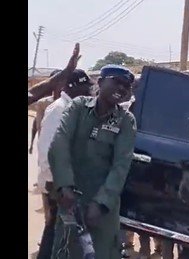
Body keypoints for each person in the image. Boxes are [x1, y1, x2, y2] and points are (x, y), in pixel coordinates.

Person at [48, 64, 137, 259]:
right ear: (100, 82)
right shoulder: (78, 107)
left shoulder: (125, 121)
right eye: (117, 82)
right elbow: (59, 144)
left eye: (126, 86)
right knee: (65, 251)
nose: (122, 89)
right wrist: (64, 186)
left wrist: (101, 204)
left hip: (103, 211)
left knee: (101, 252)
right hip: (71, 202)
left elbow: (121, 166)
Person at [35, 69, 93, 259]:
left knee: (60, 233)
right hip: (57, 185)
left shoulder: (75, 109)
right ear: (73, 87)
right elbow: (46, 152)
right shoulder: (58, 110)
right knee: (55, 232)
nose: (90, 93)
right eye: (86, 89)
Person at [29, 69, 62, 154]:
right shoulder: (44, 103)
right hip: (46, 148)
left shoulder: (70, 102)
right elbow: (36, 125)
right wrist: (32, 143)